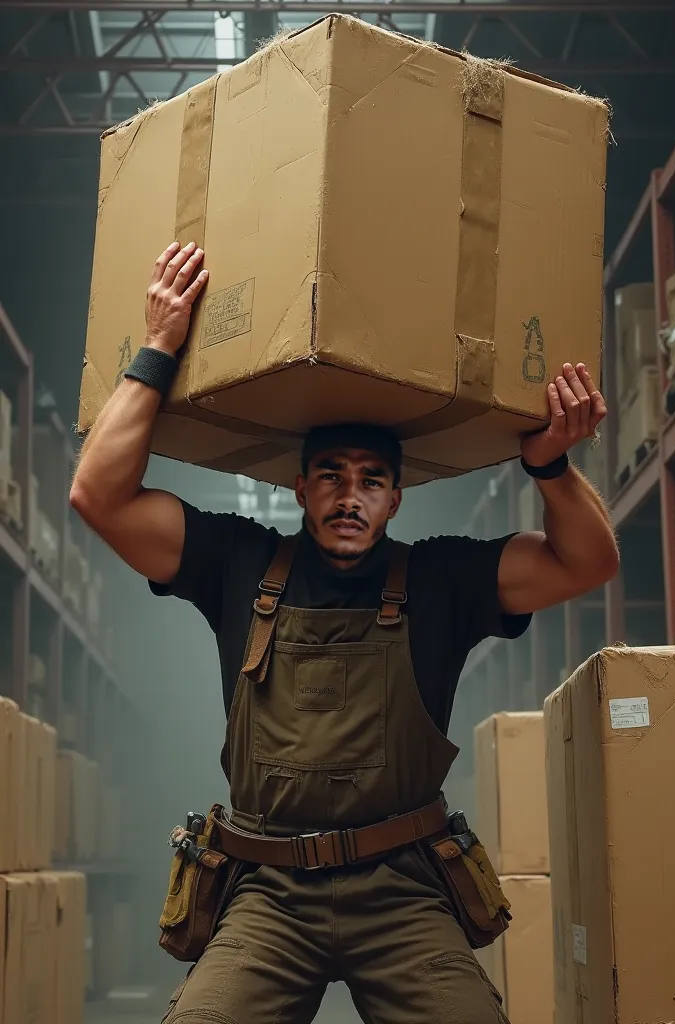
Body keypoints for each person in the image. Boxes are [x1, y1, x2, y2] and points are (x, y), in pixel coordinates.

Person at [71, 242, 619, 1024]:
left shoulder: (440, 579)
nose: (350, 496)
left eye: (371, 480)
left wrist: (550, 469)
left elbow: (588, 562)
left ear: (397, 498)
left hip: (401, 890)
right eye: (331, 474)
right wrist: (161, 346)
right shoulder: (239, 560)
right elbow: (97, 494)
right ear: (299, 487)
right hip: (267, 894)